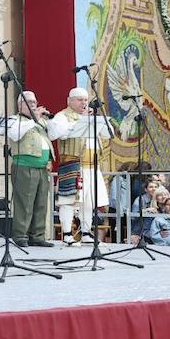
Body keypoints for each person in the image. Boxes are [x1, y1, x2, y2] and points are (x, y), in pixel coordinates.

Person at [47, 87, 112, 244]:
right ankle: (68, 234)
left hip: (92, 166)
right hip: (73, 164)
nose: (84, 102)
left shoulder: (90, 116)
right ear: (69, 101)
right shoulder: (62, 116)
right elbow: (55, 134)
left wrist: (97, 120)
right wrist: (79, 120)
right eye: (79, 99)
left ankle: (86, 232)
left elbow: (107, 134)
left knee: (89, 200)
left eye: (85, 99)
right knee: (68, 200)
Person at [4, 90, 54, 248]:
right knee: (24, 202)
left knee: (41, 203)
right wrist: (35, 118)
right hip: (24, 166)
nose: (33, 105)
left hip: (42, 167)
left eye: (34, 102)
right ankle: (20, 235)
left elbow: (51, 137)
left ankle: (37, 236)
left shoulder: (40, 121)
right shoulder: (14, 120)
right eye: (29, 102)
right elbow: (14, 134)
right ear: (20, 106)